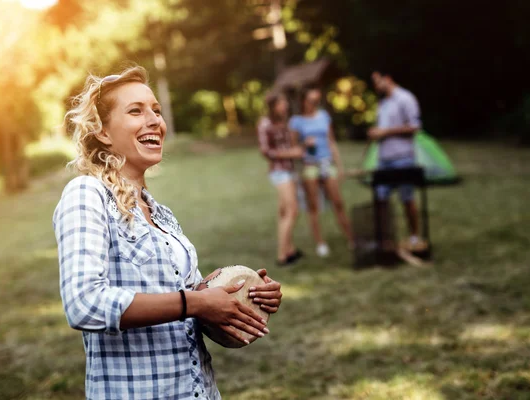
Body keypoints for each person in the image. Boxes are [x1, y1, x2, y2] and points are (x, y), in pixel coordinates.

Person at [52, 65, 283, 400]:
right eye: (136, 111)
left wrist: (244, 295)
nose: (154, 120)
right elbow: (84, 304)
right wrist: (197, 302)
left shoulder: (162, 215)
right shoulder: (87, 194)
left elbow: (193, 311)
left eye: (156, 111)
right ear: (102, 131)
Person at [288, 85, 354, 257]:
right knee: (314, 206)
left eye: (317, 100)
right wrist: (304, 144)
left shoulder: (324, 116)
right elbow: (293, 147)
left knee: (338, 202)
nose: (315, 103)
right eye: (312, 100)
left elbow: (331, 141)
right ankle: (320, 243)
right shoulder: (296, 121)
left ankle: (351, 238)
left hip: (327, 163)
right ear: (303, 101)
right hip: (310, 165)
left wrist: (339, 166)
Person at [368, 69, 422, 249]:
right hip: (384, 159)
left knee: (407, 198)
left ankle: (414, 236)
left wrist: (385, 132)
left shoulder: (405, 98)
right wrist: (376, 133)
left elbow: (414, 127)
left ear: (388, 79)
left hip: (403, 158)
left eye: (378, 81)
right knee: (380, 198)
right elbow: (383, 128)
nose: (376, 86)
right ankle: (385, 239)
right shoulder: (383, 103)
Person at [257, 92, 304, 266]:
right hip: (279, 172)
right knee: (293, 210)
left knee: (285, 212)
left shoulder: (283, 122)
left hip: (289, 170)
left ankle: (289, 250)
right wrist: (291, 153)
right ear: (273, 106)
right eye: (281, 103)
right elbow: (265, 151)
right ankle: (282, 255)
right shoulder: (265, 124)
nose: (285, 106)